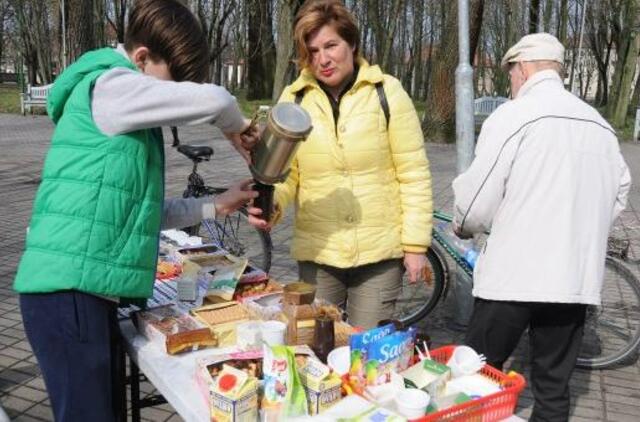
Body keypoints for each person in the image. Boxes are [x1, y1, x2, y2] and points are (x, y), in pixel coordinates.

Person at [13, 1, 259, 420]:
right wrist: (237, 129)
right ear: (142, 57)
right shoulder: (112, 87)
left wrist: (219, 205)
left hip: (79, 295)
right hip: (68, 294)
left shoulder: (123, 110)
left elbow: (142, 214)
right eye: (170, 83)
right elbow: (217, 100)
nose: (168, 99)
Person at [452, 33, 631, 421]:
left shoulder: (514, 115)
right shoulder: (599, 125)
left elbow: (478, 197)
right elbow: (619, 194)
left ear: (523, 68)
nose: (510, 82)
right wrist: (580, 227)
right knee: (553, 389)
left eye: (511, 73)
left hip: (513, 278)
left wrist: (464, 226)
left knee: (475, 377)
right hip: (572, 281)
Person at [248, 0, 432, 329]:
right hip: (319, 253)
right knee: (317, 350)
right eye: (314, 50)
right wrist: (271, 204)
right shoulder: (294, 99)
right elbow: (287, 176)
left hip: (379, 256)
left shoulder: (387, 93)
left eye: (331, 45)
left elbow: (414, 175)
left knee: (369, 356)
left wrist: (416, 246)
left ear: (352, 43)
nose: (323, 58)